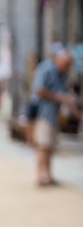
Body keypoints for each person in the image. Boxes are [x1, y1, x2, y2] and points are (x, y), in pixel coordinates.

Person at [30, 50, 81, 186]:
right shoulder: (45, 69)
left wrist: (76, 113)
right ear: (58, 60)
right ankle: (40, 176)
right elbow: (38, 90)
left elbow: (66, 98)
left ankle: (48, 174)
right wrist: (56, 97)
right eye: (65, 64)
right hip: (43, 112)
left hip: (55, 115)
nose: (67, 67)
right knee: (43, 145)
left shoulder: (63, 75)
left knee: (50, 146)